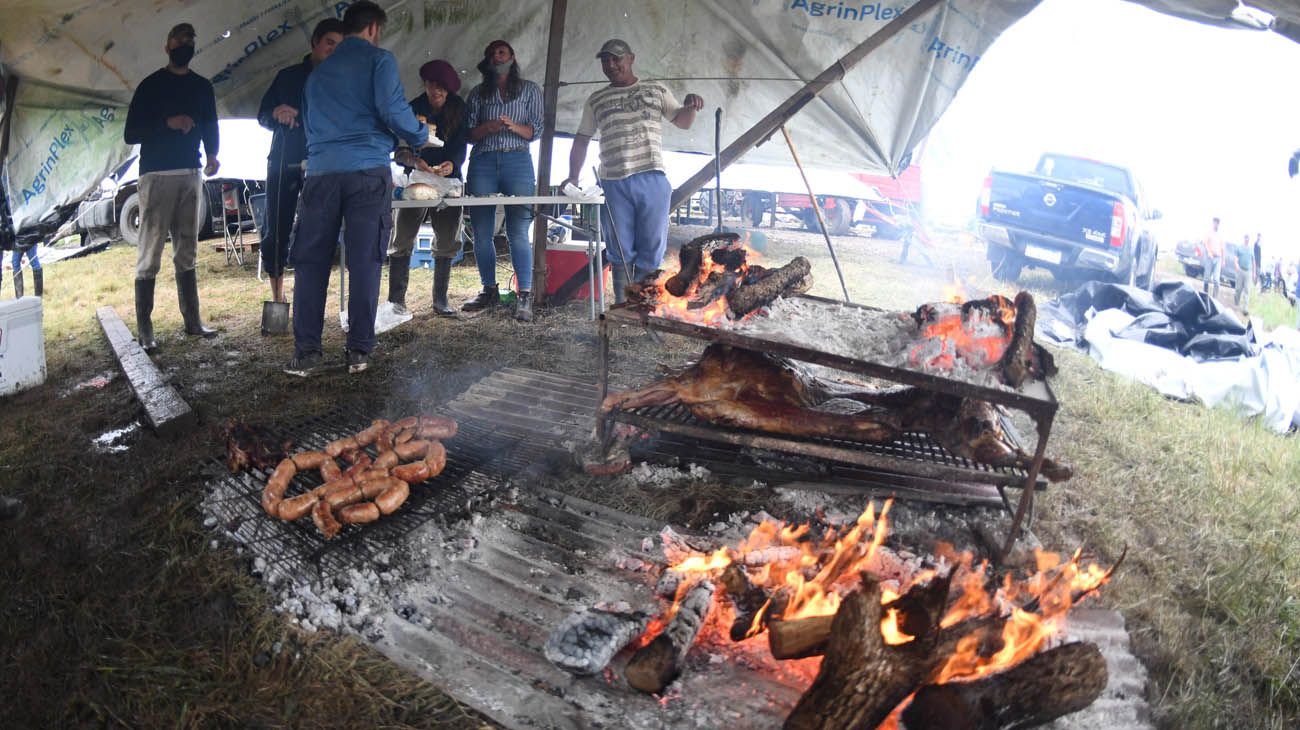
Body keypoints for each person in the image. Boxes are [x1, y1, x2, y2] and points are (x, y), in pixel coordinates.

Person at [283, 1, 429, 377]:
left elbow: (309, 126)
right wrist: (420, 133)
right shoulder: (379, 61)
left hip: (320, 174)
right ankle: (359, 351)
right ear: (374, 29)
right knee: (365, 260)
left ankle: (308, 353)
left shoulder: (317, 73)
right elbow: (393, 111)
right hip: (366, 171)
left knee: (311, 262)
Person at [563, 39, 703, 303]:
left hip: (651, 177)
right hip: (613, 181)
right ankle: (623, 305)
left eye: (617, 59)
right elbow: (582, 138)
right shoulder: (597, 99)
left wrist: (691, 106)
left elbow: (683, 121)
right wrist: (572, 175)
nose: (611, 65)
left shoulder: (655, 90)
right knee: (619, 248)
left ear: (631, 58)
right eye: (606, 60)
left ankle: (647, 305)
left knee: (651, 247)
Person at [123, 22, 220, 351]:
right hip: (157, 175)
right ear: (167, 46)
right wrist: (167, 123)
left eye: (191, 40)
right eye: (179, 40)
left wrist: (214, 154)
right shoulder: (151, 86)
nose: (186, 44)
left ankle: (192, 321)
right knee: (150, 251)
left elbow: (210, 122)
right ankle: (145, 328)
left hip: (190, 172)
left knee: (188, 248)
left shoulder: (202, 87)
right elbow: (131, 133)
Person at [256, 18, 345, 310]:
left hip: (324, 164)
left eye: (339, 46)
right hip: (284, 158)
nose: (333, 50)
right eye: (329, 43)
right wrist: (276, 113)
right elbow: (263, 116)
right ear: (315, 43)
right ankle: (278, 296)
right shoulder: (288, 76)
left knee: (317, 230)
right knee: (276, 228)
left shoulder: (341, 80)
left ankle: (309, 294)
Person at [461, 39, 544, 321]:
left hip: (517, 159)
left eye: (501, 52)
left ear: (512, 57)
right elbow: (469, 133)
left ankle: (524, 296)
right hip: (483, 160)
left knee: (518, 230)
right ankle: (489, 289)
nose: (496, 56)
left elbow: (536, 130)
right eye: (492, 53)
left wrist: (510, 125)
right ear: (487, 61)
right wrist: (487, 127)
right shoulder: (477, 93)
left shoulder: (530, 90)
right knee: (481, 231)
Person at [384, 59, 469, 319]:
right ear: (425, 84)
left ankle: (440, 300)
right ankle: (396, 301)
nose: (436, 92)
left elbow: (461, 148)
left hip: (449, 179)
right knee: (402, 237)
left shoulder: (459, 108)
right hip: (417, 177)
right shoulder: (412, 108)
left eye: (441, 88)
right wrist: (413, 160)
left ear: (449, 90)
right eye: (432, 85)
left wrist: (451, 163)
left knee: (447, 238)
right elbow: (399, 149)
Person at [1201, 217, 1223, 299]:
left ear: (1219, 224)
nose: (1216, 224)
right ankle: (1204, 296)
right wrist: (1209, 252)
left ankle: (1214, 298)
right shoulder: (1209, 233)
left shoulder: (1220, 235)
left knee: (1216, 280)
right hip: (1210, 257)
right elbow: (1205, 243)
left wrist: (1223, 259)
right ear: (1213, 223)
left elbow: (1222, 247)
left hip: (1218, 258)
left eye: (1217, 223)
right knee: (1206, 278)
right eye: (1215, 222)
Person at [1233, 235, 1252, 312]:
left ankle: (1245, 308)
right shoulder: (1239, 248)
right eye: (1246, 238)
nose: (1247, 239)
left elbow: (1253, 261)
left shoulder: (1251, 249)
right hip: (1240, 270)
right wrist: (1236, 265)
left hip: (1248, 271)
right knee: (1238, 289)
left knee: (1247, 290)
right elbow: (1235, 258)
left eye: (1248, 238)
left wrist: (1254, 273)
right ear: (1244, 239)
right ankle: (1236, 300)